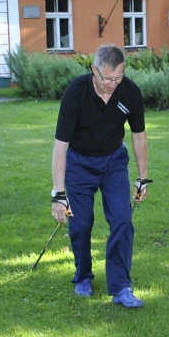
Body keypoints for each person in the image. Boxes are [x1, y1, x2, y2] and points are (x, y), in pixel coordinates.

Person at [51, 44, 148, 308]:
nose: (113, 84)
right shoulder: (76, 92)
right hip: (79, 163)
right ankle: (83, 275)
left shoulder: (129, 92)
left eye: (119, 78)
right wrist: (58, 195)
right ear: (95, 70)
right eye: (108, 79)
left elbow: (139, 136)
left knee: (122, 220)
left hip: (113, 162)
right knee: (81, 224)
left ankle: (121, 286)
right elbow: (60, 146)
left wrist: (142, 178)